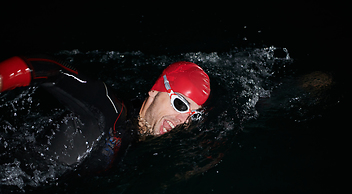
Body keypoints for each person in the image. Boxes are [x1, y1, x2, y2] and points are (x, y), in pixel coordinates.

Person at [0, 55, 211, 174]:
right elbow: (53, 71)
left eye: (193, 115)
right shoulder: (108, 108)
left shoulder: (144, 142)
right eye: (180, 104)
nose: (182, 120)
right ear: (155, 90)